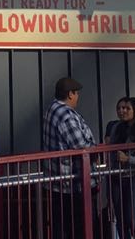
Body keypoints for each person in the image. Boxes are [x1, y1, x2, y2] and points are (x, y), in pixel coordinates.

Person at [40, 77, 96, 239]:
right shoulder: (66, 115)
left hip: (56, 181)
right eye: (76, 93)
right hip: (71, 183)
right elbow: (80, 145)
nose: (78, 97)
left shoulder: (51, 108)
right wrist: (94, 146)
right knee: (78, 227)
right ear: (70, 94)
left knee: (61, 226)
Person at [103, 97, 135, 239]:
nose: (122, 111)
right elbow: (111, 150)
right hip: (116, 178)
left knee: (132, 219)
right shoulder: (116, 128)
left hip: (134, 178)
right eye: (120, 108)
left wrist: (128, 159)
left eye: (127, 108)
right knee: (120, 221)